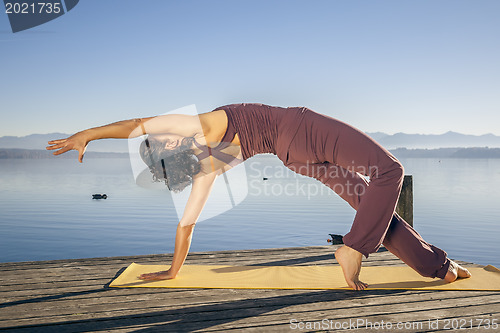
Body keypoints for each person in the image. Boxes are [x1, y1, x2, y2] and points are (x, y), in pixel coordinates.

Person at [46, 103, 471, 290]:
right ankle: (354, 249)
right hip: (300, 131)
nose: (167, 134)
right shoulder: (202, 126)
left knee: (370, 204)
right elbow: (139, 122)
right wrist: (89, 134)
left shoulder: (209, 164)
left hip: (293, 158)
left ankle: (438, 267)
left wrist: (173, 272)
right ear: (168, 145)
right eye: (164, 139)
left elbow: (187, 223)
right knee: (389, 171)